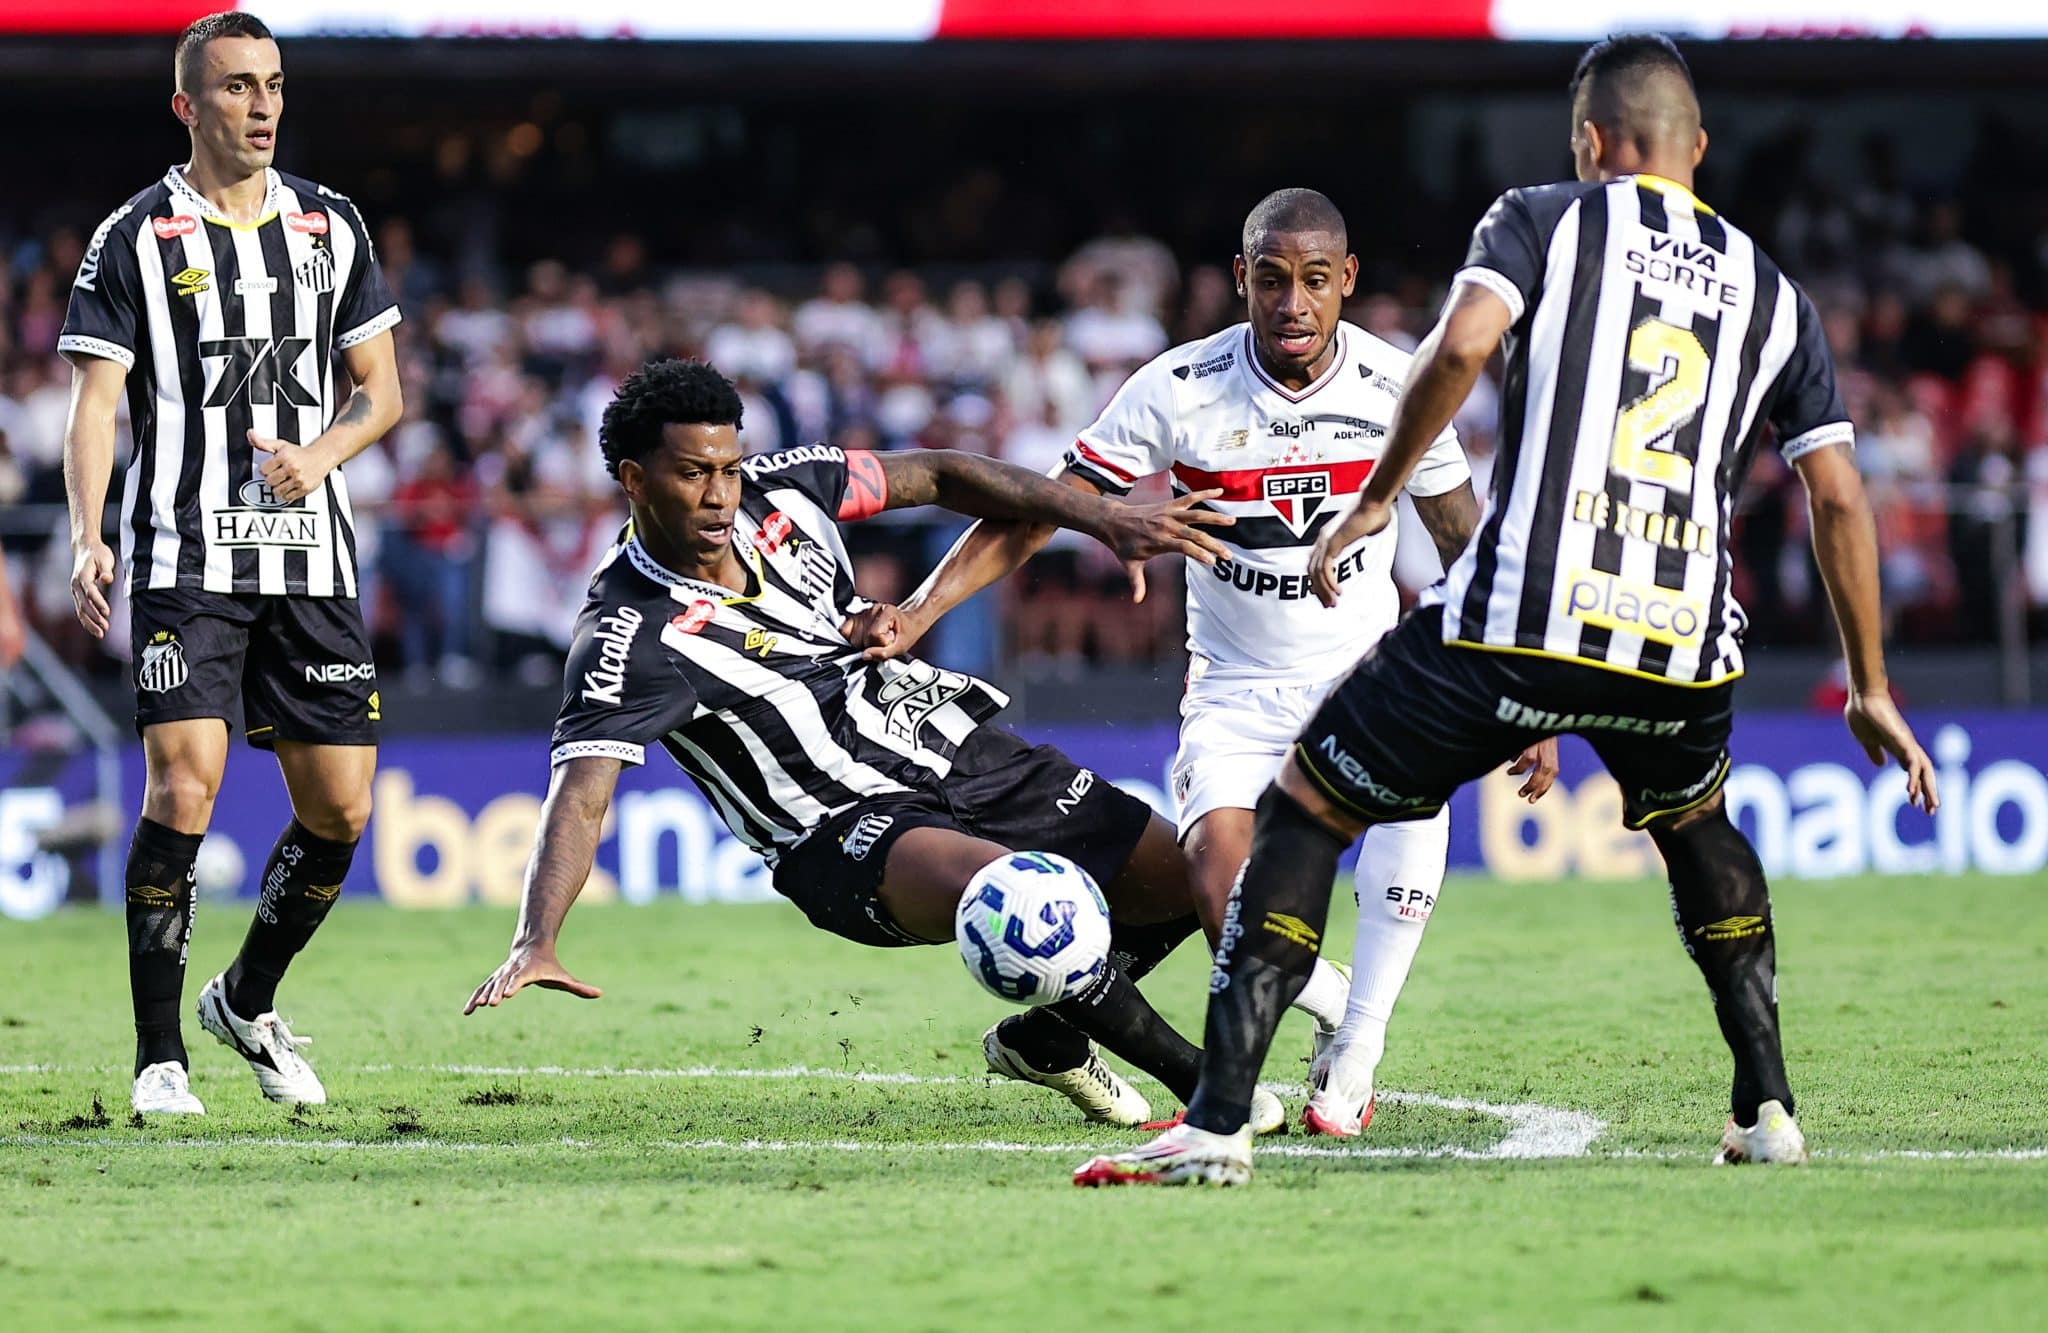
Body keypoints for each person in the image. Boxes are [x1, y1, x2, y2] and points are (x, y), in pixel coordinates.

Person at [1076, 34, 1938, 1186]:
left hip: (1524, 613)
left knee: (1303, 808)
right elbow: (1837, 494)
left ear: (1589, 142)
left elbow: (1461, 346)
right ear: (1699, 151)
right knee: (1698, 833)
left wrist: (1369, 496)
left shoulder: (1542, 218)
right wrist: (1870, 684)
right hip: (1680, 633)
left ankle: (1220, 1119)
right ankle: (1765, 1105)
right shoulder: (1772, 295)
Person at [858, 189, 1557, 1136]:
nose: (1293, 304)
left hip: (1362, 672)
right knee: (1221, 884)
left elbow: (1462, 535)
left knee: (1413, 783)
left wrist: (1524, 681)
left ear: (1346, 281)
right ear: (1242, 280)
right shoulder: (1177, 388)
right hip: (1234, 689)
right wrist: (920, 608)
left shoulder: (1402, 383)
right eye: (1272, 280)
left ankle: (1358, 1045)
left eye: (1316, 281)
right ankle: (1330, 992)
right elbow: (1038, 510)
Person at [464, 359, 1293, 1133]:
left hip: (950, 746)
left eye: (728, 466)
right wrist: (537, 937)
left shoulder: (786, 490)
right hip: (843, 832)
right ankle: (1212, 1086)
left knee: (1191, 877)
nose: (721, 494)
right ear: (635, 481)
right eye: (693, 474)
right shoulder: (626, 635)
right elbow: (581, 791)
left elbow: (941, 472)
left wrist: (1103, 517)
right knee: (1015, 900)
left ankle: (1046, 1039)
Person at [59, 12, 403, 1115]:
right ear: (188, 106)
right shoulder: (134, 237)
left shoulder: (331, 227)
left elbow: (381, 394)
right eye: (239, 88)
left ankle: (244, 999)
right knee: (184, 781)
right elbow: (96, 406)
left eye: (274, 85)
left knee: (342, 811)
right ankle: (161, 1054)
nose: (262, 106)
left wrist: (320, 456)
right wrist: (86, 529)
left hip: (309, 557)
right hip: (184, 548)